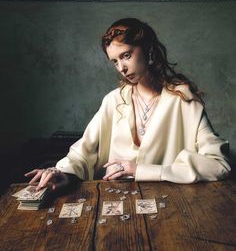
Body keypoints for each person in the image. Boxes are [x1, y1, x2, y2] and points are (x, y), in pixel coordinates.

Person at [25, 17, 231, 191]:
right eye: (114, 61)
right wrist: (61, 172)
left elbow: (219, 164)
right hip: (116, 200)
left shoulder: (182, 98)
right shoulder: (114, 100)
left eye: (126, 55)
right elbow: (83, 152)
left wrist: (142, 170)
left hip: (172, 202)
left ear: (148, 50)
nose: (121, 68)